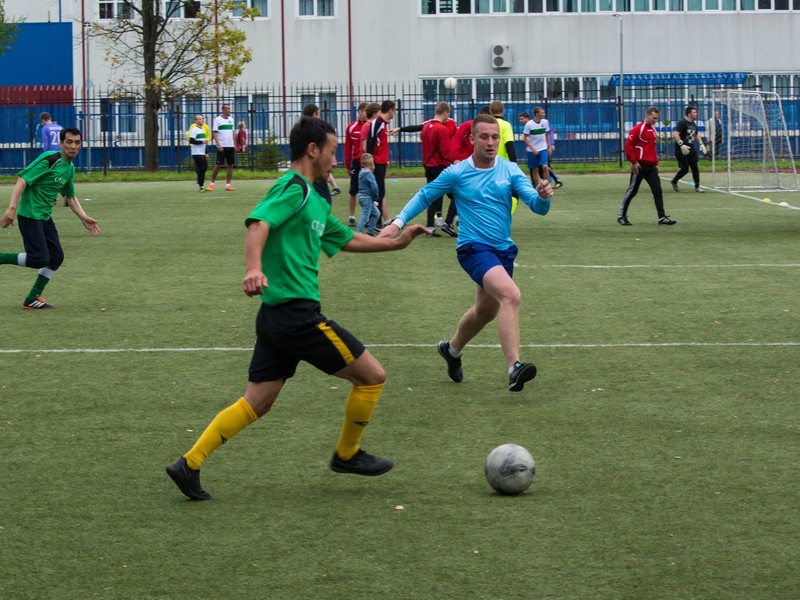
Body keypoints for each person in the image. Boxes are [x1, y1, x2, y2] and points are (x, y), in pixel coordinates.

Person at [165, 117, 428, 501]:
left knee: (257, 402)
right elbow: (258, 224)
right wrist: (253, 269)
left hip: (275, 320)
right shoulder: (294, 188)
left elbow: (346, 238)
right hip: (296, 317)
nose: (335, 161)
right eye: (332, 152)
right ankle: (347, 454)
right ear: (312, 150)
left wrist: (396, 243)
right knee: (372, 376)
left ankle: (188, 463)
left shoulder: (315, 201)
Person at [379, 114, 554, 392]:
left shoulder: (509, 169)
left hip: (503, 250)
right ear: (472, 139)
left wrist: (543, 197)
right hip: (473, 248)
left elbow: (536, 206)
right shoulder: (457, 172)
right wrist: (397, 223)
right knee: (511, 295)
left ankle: (452, 349)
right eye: (484, 137)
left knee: (486, 312)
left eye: (494, 137)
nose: (490, 142)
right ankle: (514, 368)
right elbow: (425, 195)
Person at [0, 127, 101, 309]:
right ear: (61, 143)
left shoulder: (69, 168)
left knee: (56, 257)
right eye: (69, 142)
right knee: (38, 259)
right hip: (30, 215)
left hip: (44, 217)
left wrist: (84, 217)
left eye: (77, 142)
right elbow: (22, 180)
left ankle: (32, 298)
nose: (73, 146)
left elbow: (70, 197)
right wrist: (12, 208)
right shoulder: (51, 159)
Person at [391, 103, 459, 235]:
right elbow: (445, 152)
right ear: (445, 112)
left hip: (428, 166)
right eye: (448, 114)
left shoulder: (427, 127)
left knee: (431, 195)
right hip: (439, 166)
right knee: (457, 194)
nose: (448, 117)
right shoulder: (442, 129)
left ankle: (430, 226)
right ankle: (449, 222)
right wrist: (451, 166)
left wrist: (400, 129)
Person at [617, 106, 676, 227]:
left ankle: (662, 217)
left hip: (651, 167)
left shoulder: (653, 129)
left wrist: (656, 164)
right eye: (654, 118)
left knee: (657, 190)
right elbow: (629, 146)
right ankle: (621, 216)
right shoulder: (638, 129)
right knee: (632, 191)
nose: (655, 120)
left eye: (657, 118)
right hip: (639, 166)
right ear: (648, 115)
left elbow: (651, 149)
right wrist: (634, 162)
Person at [363, 100, 397, 226]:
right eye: (394, 110)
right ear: (390, 110)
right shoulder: (377, 123)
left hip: (381, 161)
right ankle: (375, 222)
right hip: (376, 162)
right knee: (378, 192)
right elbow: (370, 142)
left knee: (380, 192)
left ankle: (376, 221)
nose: (395, 113)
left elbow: (380, 144)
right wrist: (370, 162)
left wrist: (385, 159)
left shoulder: (383, 124)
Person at [303, 103, 341, 203]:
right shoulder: (318, 129)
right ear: (314, 114)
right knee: (325, 200)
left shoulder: (300, 129)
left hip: (304, 168)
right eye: (319, 114)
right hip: (316, 167)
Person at [519, 109, 563, 188]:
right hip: (532, 151)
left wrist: (550, 146)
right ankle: (537, 187)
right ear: (536, 114)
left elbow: (548, 134)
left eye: (543, 112)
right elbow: (525, 138)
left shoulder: (545, 122)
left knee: (545, 166)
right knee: (534, 169)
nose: (544, 114)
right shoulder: (529, 125)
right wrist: (532, 148)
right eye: (542, 113)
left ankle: (547, 185)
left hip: (543, 148)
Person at [670, 105, 706, 193]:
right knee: (685, 169)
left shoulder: (693, 124)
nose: (696, 114)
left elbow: (696, 134)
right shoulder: (682, 123)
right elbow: (676, 134)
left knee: (695, 167)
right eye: (694, 112)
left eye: (696, 112)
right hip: (681, 150)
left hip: (691, 149)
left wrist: (701, 143)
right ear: (689, 114)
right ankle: (674, 181)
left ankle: (697, 186)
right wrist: (681, 144)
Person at [344, 102, 368, 226]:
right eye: (365, 111)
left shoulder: (370, 125)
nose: (367, 114)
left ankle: (368, 217)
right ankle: (352, 216)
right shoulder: (351, 127)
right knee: (353, 190)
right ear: (359, 112)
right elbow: (348, 148)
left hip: (368, 164)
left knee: (369, 191)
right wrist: (348, 165)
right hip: (357, 163)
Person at [209, 104, 236, 192]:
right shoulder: (217, 119)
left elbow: (233, 132)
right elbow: (214, 133)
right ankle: (212, 184)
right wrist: (218, 144)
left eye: (229, 109)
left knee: (230, 165)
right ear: (223, 110)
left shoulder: (231, 119)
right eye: (227, 109)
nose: (229, 110)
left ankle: (228, 185)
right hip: (222, 146)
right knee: (218, 165)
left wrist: (234, 144)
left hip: (230, 146)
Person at [356, 153, 381, 235]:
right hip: (367, 198)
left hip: (361, 197)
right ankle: (358, 233)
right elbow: (374, 187)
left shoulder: (361, 172)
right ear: (371, 163)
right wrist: (375, 196)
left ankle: (370, 231)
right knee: (365, 216)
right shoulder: (369, 174)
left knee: (376, 213)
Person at [188, 114, 209, 192]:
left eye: (202, 118)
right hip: (197, 153)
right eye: (200, 119)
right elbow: (191, 140)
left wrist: (206, 152)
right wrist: (201, 142)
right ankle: (201, 186)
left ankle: (202, 184)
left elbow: (204, 143)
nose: (202, 120)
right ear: (195, 121)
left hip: (202, 152)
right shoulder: (194, 129)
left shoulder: (202, 129)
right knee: (201, 169)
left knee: (204, 168)